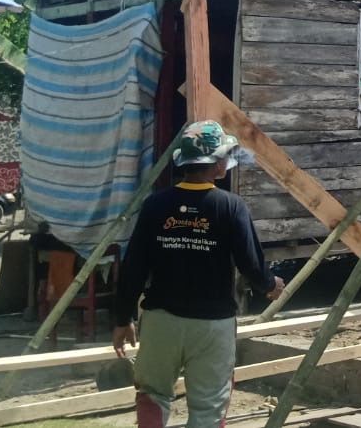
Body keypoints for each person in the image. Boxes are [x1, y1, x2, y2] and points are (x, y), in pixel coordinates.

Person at [112, 121, 285, 428]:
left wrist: (122, 318)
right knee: (208, 407)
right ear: (218, 163)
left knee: (153, 394)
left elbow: (134, 266)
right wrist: (270, 285)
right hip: (212, 325)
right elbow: (251, 265)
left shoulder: (155, 204)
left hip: (161, 320)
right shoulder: (231, 207)